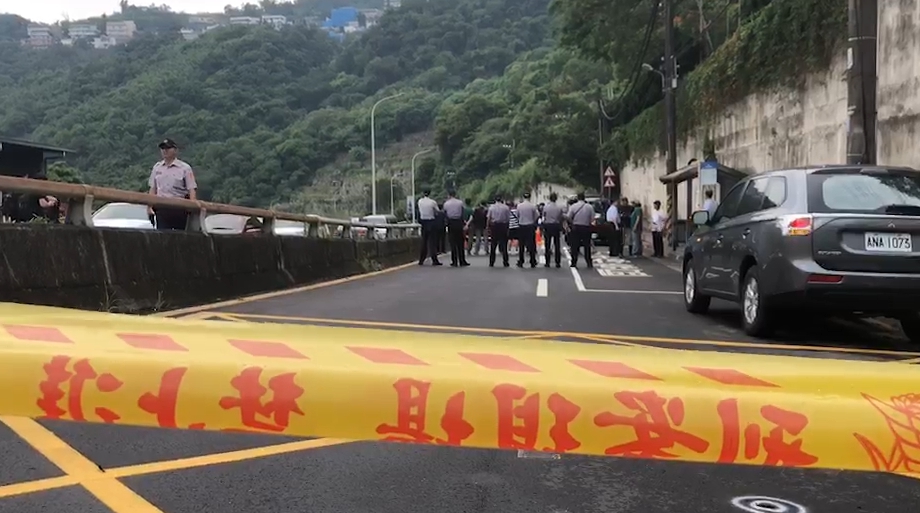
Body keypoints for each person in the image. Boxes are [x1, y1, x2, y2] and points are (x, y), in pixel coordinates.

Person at [148, 138, 197, 231]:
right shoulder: (157, 168)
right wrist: (149, 206)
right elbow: (153, 188)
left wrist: (191, 207)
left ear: (175, 150)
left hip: (179, 207)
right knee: (162, 234)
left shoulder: (185, 168)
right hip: (161, 207)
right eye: (163, 148)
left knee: (180, 234)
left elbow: (191, 189)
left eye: (168, 148)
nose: (165, 151)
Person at [567, 192, 594, 268]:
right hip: (586, 227)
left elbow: (568, 217)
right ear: (584, 198)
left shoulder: (573, 206)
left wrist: (572, 222)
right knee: (587, 246)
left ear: (578, 198)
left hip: (576, 227)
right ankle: (588, 262)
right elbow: (592, 218)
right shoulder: (589, 207)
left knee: (575, 245)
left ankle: (574, 262)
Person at [443, 190, 470, 267]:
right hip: (459, 222)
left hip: (451, 223)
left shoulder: (446, 204)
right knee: (460, 242)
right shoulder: (460, 202)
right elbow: (462, 212)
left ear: (449, 195)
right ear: (455, 194)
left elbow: (445, 214)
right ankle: (462, 260)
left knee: (453, 243)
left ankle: (454, 261)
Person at [416, 189, 442, 266]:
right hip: (431, 221)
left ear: (423, 193)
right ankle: (434, 260)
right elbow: (438, 211)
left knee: (424, 241)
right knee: (432, 242)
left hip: (423, 222)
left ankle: (421, 260)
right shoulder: (432, 202)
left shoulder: (420, 201)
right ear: (430, 193)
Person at [487, 195, 511, 267]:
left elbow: (488, 218)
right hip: (503, 226)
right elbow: (508, 219)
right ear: (501, 199)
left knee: (493, 245)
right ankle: (505, 261)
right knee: (504, 245)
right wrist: (507, 228)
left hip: (494, 226)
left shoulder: (491, 207)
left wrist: (488, 227)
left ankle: (491, 262)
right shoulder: (506, 208)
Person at [516, 192, 539, 268]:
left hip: (521, 226)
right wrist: (532, 220)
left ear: (523, 197)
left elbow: (517, 215)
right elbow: (537, 215)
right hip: (530, 226)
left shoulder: (519, 206)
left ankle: (521, 261)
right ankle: (532, 261)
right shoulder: (532, 206)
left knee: (521, 244)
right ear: (529, 197)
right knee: (531, 244)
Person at [541, 192, 563, 268]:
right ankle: (557, 262)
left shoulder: (546, 207)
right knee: (557, 244)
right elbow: (560, 217)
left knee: (547, 244)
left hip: (548, 225)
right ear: (556, 199)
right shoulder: (559, 207)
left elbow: (543, 216)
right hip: (556, 225)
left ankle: (547, 262)